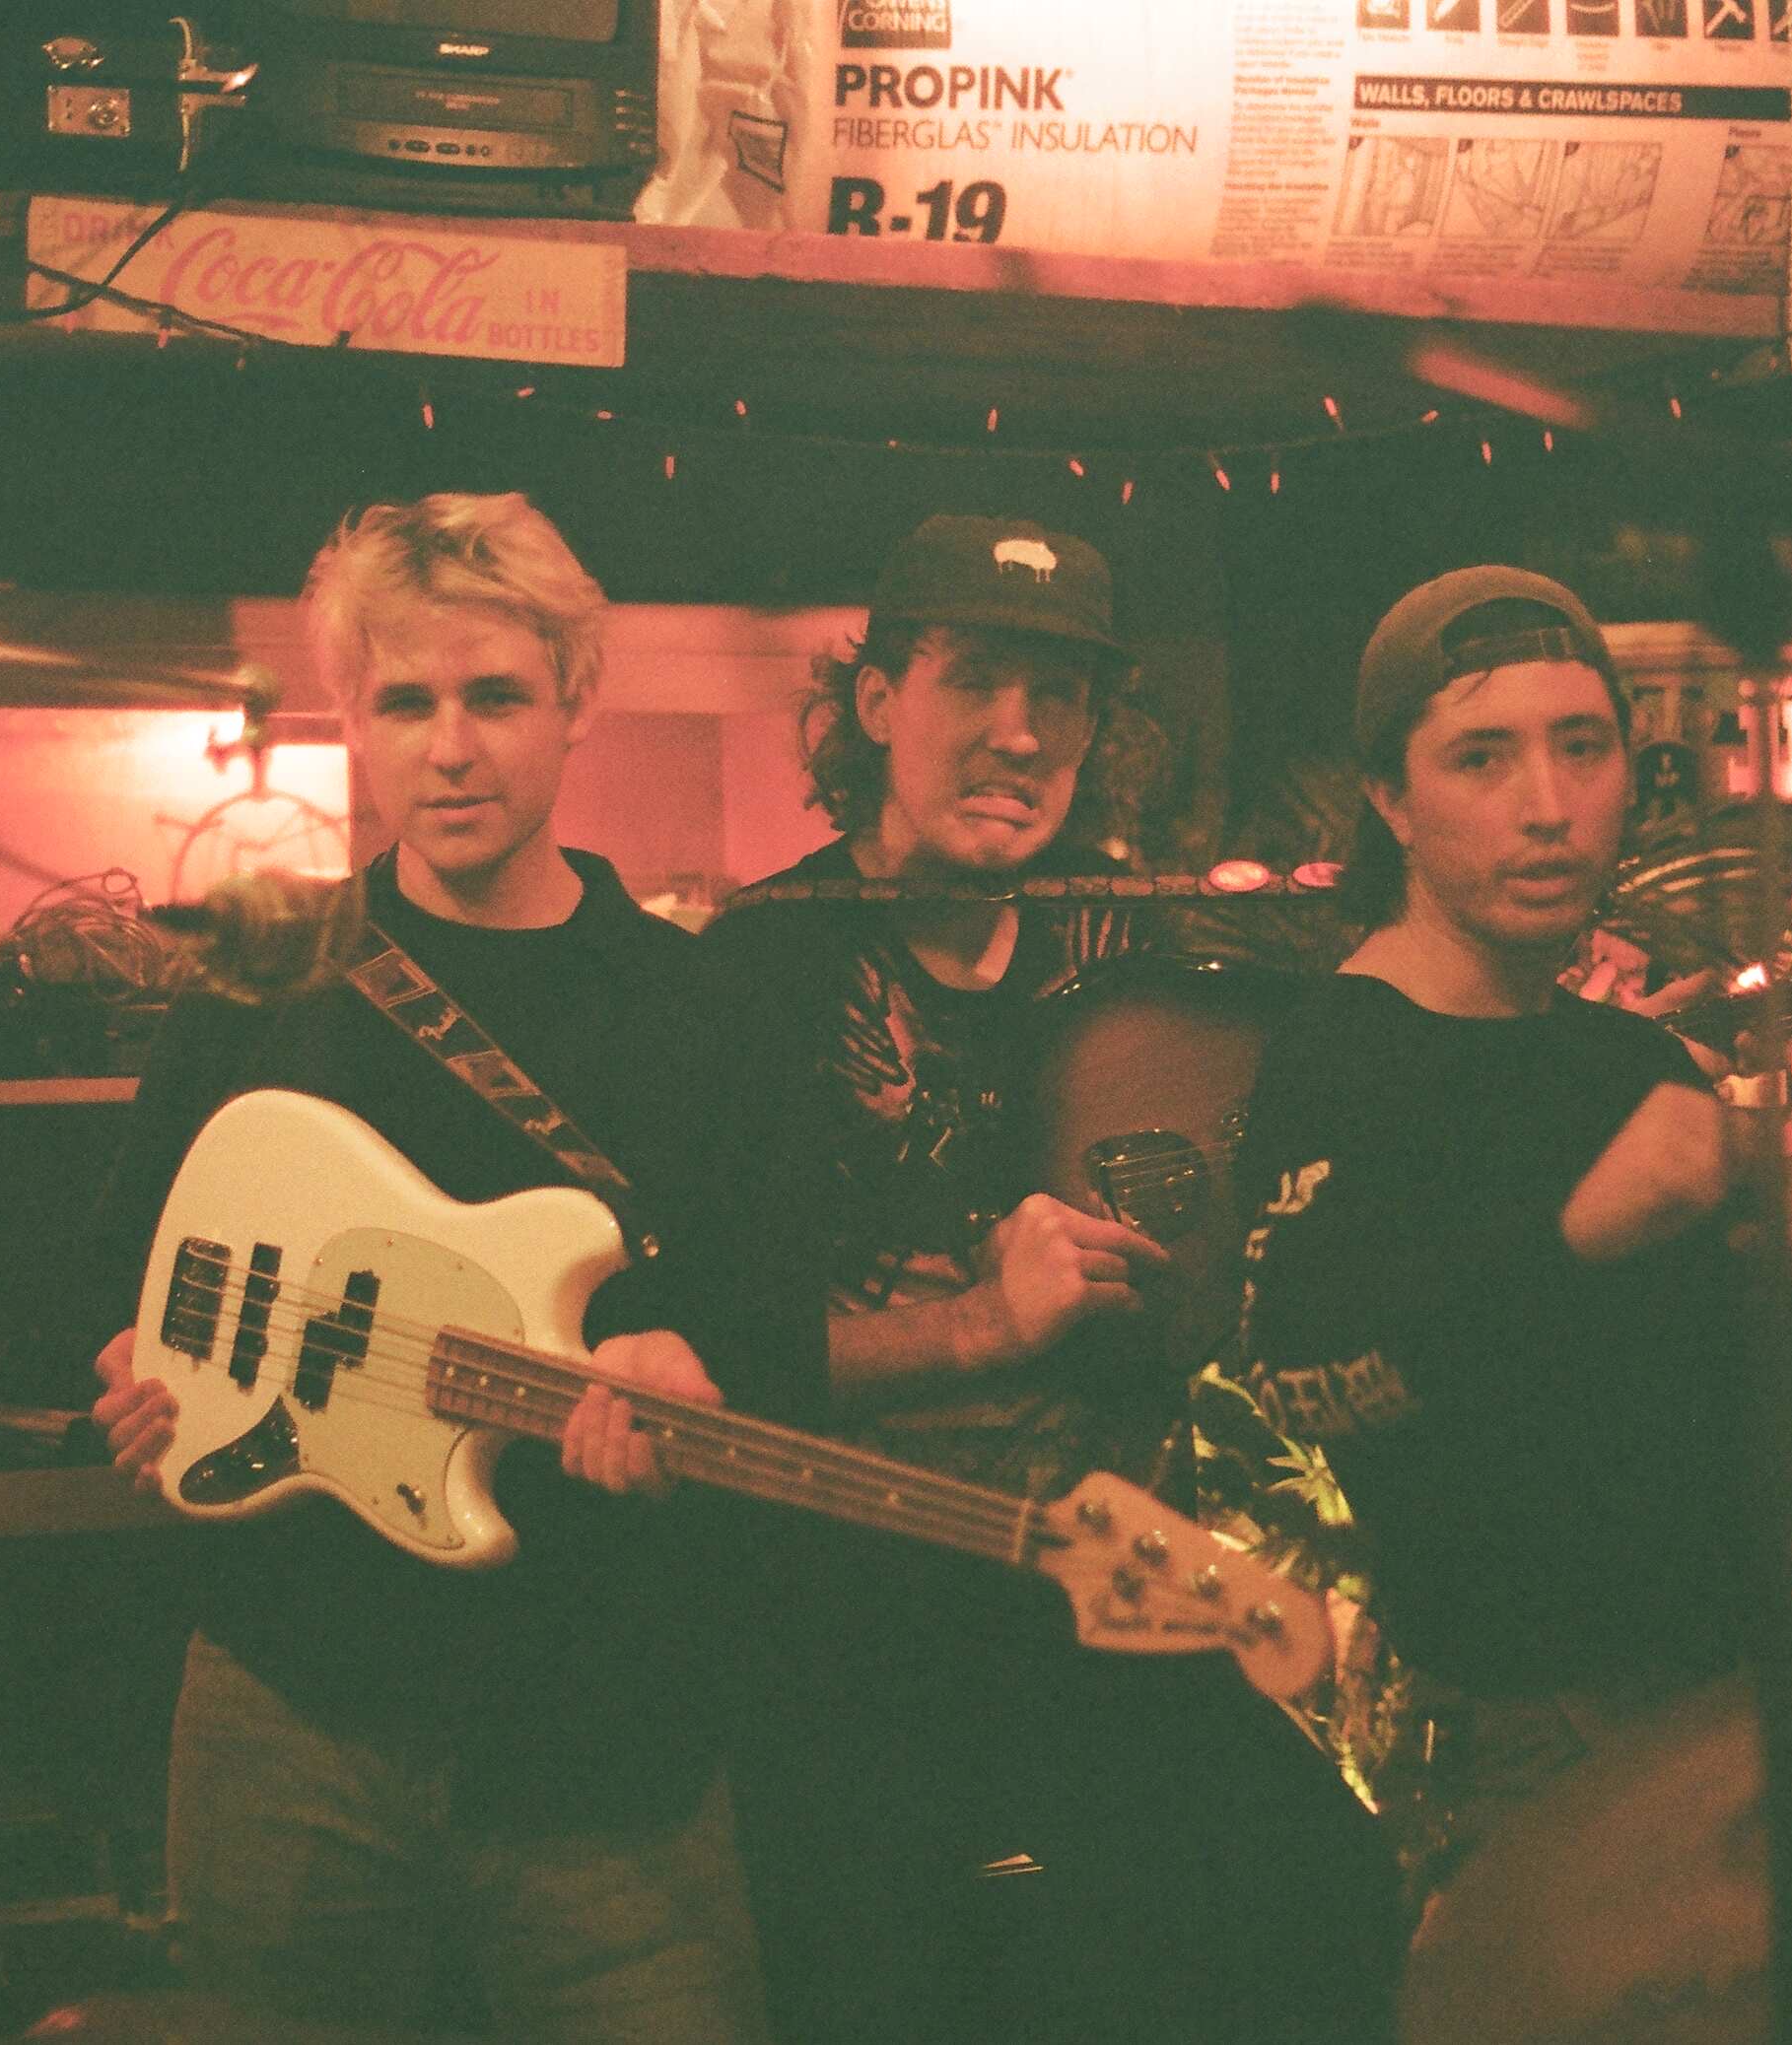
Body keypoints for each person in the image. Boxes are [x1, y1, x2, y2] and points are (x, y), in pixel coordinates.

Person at [78, 491, 799, 2040]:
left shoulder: (705, 1011)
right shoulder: (261, 980)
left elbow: (779, 1327)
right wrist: (138, 1379)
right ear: (353, 717)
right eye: (406, 703)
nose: (450, 749)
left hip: (604, 1738)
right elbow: (124, 1278)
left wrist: (696, 1381)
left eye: (495, 697)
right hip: (293, 1715)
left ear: (576, 699)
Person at [700, 514, 1394, 2043]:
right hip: (851, 1670)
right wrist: (976, 1326)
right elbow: (712, 1367)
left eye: (1059, 695)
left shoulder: (1137, 949)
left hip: (1125, 1652)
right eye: (974, 679)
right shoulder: (757, 971)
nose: (1018, 734)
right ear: (874, 700)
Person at [1228, 565, 1792, 1918]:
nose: (1546, 805)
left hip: (1732, 1706)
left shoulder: (1624, 1060)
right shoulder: (1338, 1058)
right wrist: (1575, 1238)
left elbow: (1761, 1426)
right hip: (1511, 1747)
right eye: (1480, 758)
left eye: (1582, 747)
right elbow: (1307, 1382)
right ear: (1390, 801)